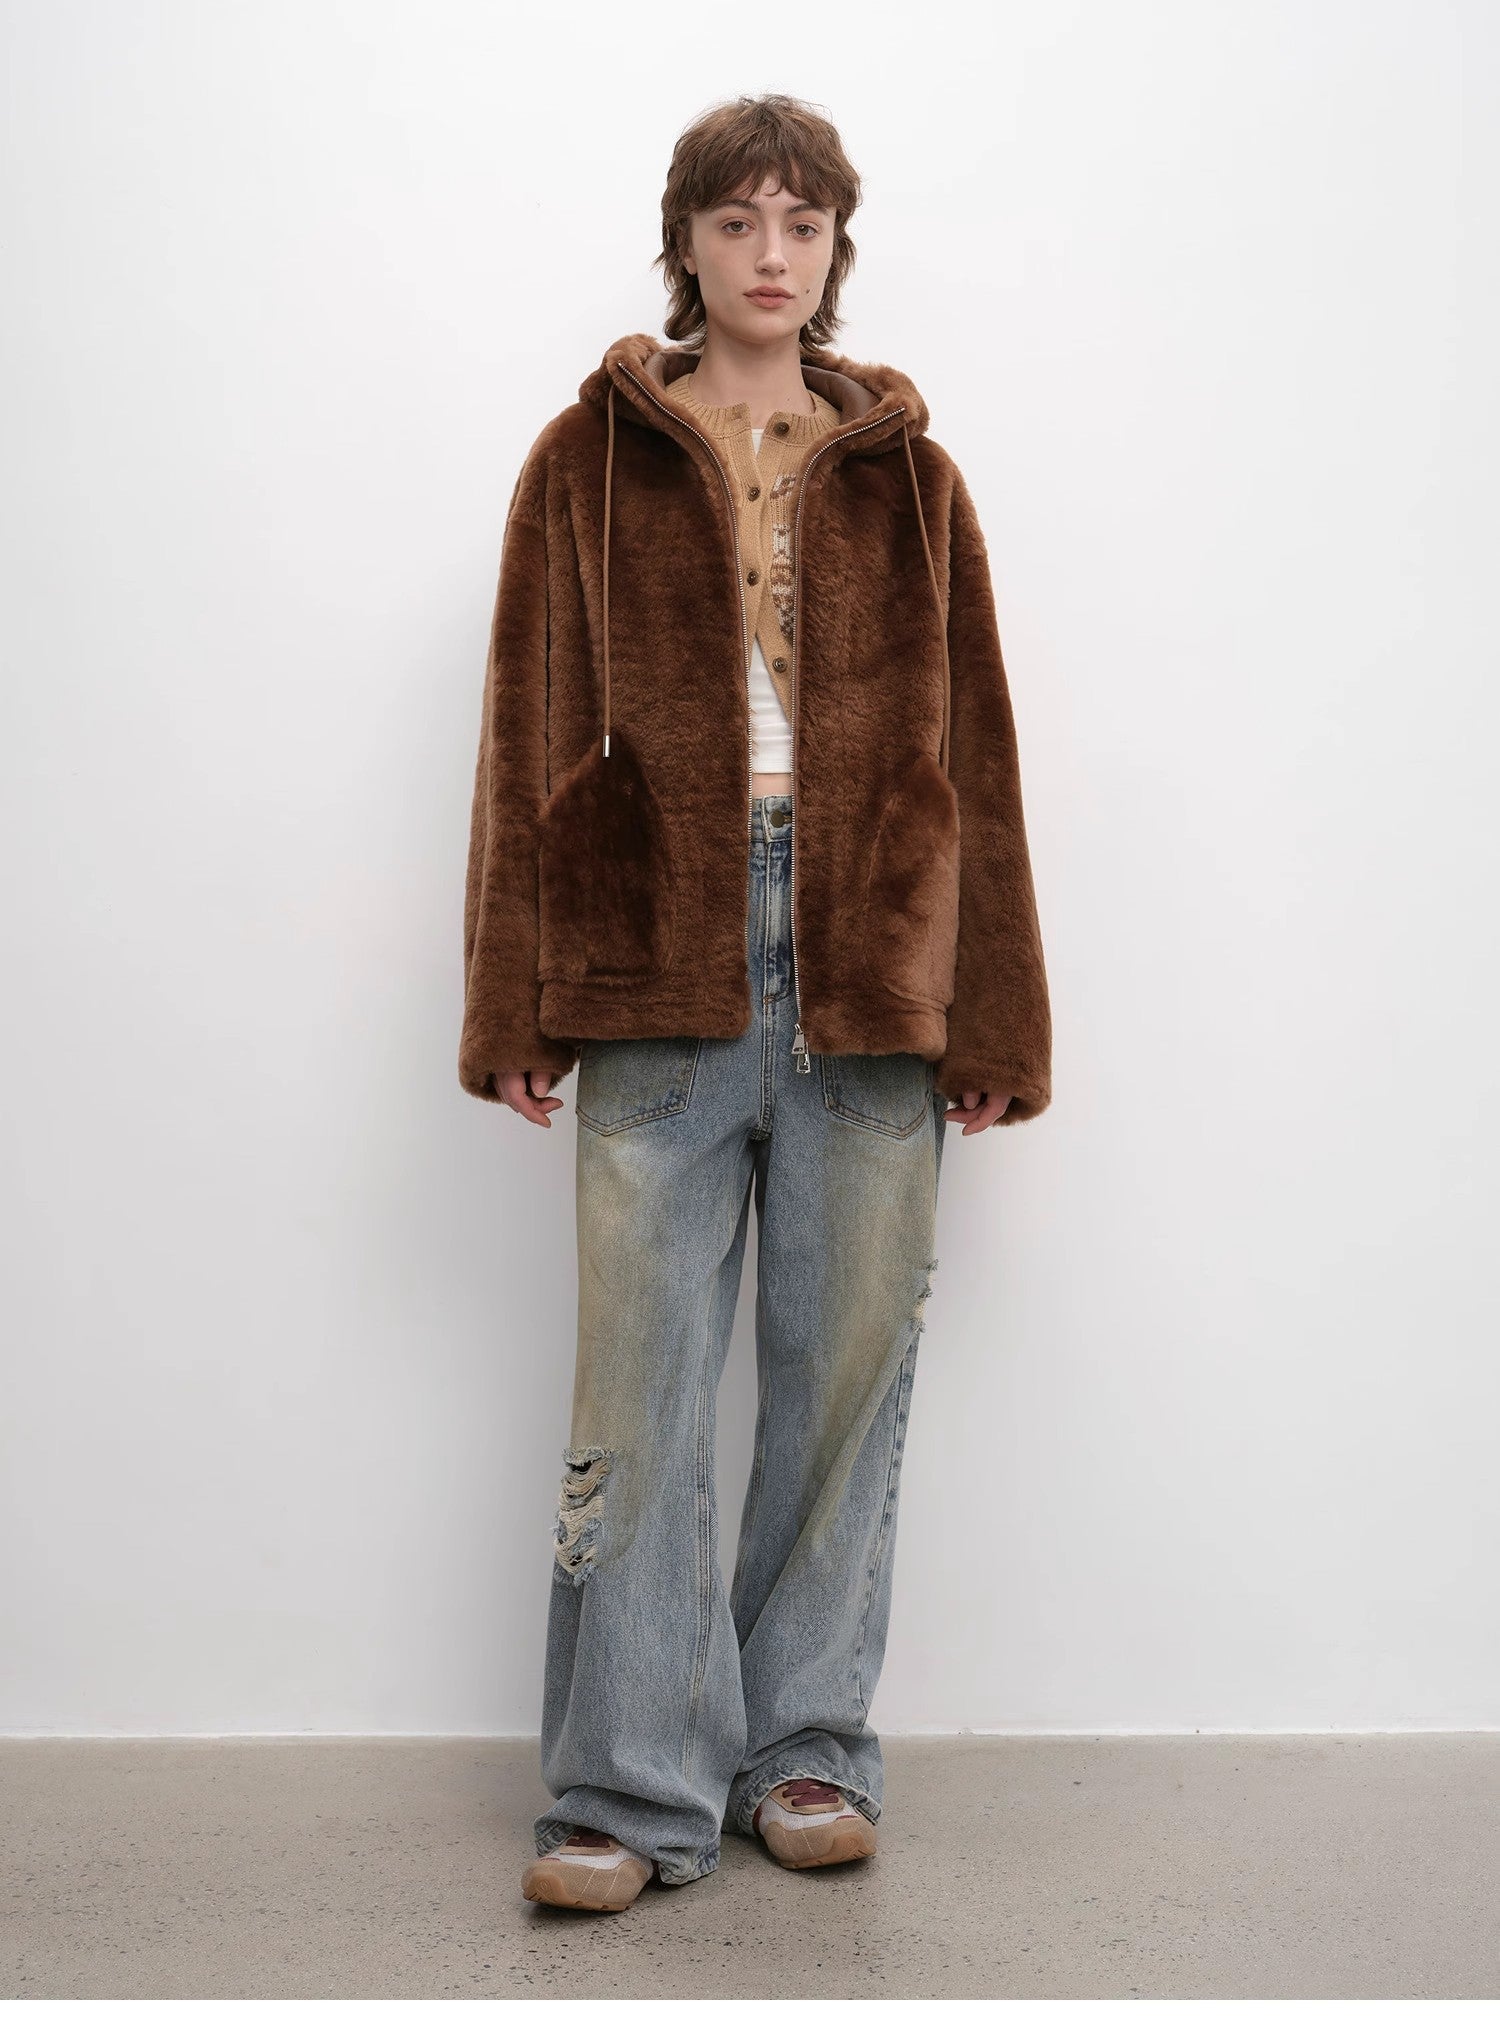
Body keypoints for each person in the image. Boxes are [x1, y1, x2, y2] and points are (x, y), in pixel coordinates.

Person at [458, 93, 1052, 1913]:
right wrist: (510, 1000)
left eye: (802, 221)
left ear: (836, 247)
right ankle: (628, 1788)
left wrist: (996, 1016)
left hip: (871, 960)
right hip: (656, 953)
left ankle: (804, 1750)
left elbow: (976, 755)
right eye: (738, 220)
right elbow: (525, 726)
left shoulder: (912, 477)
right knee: (638, 1388)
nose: (771, 252)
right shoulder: (585, 461)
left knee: (843, 1377)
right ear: (689, 243)